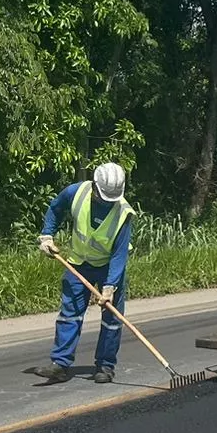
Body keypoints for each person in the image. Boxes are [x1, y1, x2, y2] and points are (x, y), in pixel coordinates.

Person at [31, 162, 135, 384]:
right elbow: (55, 208)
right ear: (95, 186)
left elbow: (119, 256)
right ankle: (60, 364)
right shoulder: (75, 192)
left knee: (112, 319)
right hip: (78, 263)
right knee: (70, 314)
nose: (107, 202)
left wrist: (109, 288)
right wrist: (47, 236)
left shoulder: (124, 214)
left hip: (109, 267)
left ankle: (105, 366)